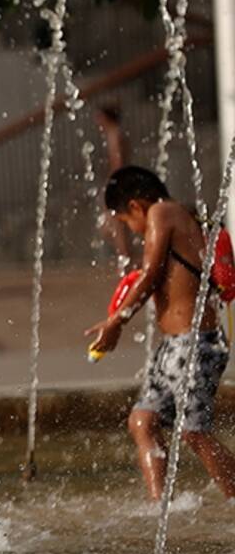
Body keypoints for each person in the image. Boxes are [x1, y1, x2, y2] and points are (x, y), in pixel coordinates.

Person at [85, 166, 235, 501]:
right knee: (143, 420)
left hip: (196, 344)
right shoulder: (173, 215)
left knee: (194, 433)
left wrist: (116, 323)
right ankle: (159, 508)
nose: (133, 230)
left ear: (137, 206)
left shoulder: (162, 212)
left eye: (125, 222)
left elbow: (151, 274)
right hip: (175, 347)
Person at [93, 104, 138, 273]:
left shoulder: (114, 135)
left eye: (99, 117)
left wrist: (113, 184)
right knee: (116, 225)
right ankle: (127, 261)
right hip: (122, 182)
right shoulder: (117, 134)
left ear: (106, 117)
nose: (97, 121)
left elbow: (118, 163)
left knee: (117, 225)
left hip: (119, 183)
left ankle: (127, 262)